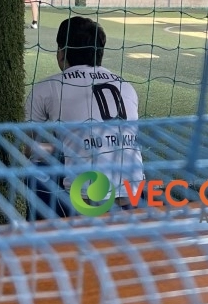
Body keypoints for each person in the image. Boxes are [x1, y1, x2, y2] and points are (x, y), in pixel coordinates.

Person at [25, 15, 144, 217]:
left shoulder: (47, 88)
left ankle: (45, 231)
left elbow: (30, 150)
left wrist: (61, 148)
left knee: (36, 169)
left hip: (86, 200)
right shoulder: (126, 86)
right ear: (100, 53)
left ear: (61, 52)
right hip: (133, 194)